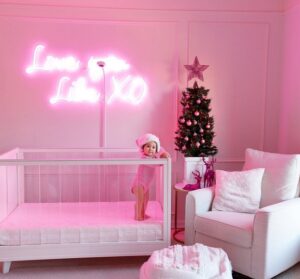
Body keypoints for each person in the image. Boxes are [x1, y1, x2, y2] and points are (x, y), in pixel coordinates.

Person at [132, 133, 170, 221]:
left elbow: (161, 150)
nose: (151, 149)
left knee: (146, 200)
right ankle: (138, 215)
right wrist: (162, 160)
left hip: (146, 184)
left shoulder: (154, 157)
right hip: (138, 183)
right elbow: (154, 164)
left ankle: (143, 213)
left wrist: (164, 153)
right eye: (148, 146)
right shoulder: (144, 158)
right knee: (140, 199)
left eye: (153, 147)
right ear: (143, 148)